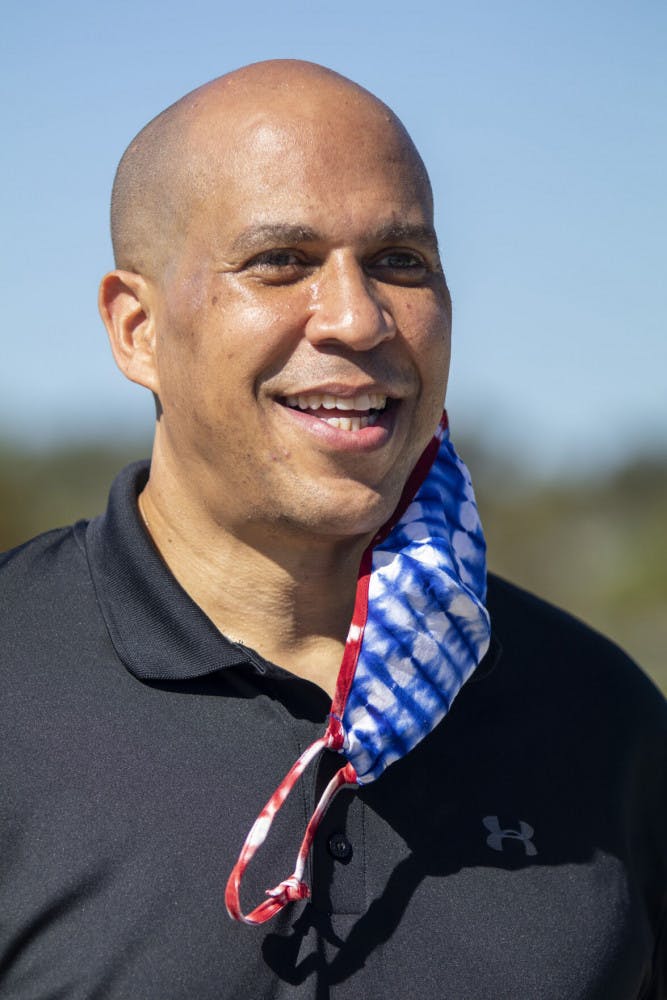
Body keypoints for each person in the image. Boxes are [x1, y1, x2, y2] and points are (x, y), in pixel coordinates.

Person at [0, 59, 664, 1000]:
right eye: (281, 263)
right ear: (137, 330)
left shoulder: (604, 724)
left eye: (401, 262)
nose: (356, 318)